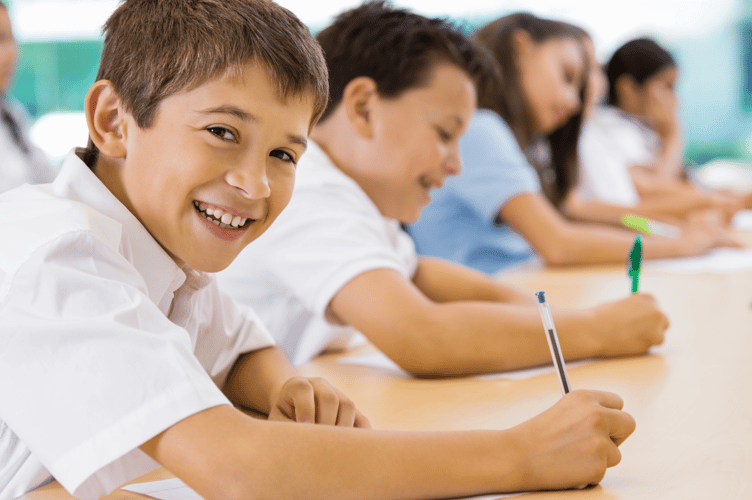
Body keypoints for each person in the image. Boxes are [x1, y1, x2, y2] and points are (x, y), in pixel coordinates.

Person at [0, 1, 637, 499]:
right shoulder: (60, 257)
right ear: (113, 121)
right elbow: (239, 471)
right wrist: (520, 454)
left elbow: (240, 347)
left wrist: (289, 385)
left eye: (283, 154)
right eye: (222, 132)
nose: (254, 183)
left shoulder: (165, 254)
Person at [218, 2, 668, 381]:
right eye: (444, 133)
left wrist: (547, 313)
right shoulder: (311, 190)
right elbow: (423, 333)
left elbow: (416, 271)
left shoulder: (358, 193)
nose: (456, 163)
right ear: (362, 107)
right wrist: (600, 323)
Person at [409, 13, 739, 275]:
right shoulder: (485, 131)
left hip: (534, 278)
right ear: (522, 48)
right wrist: (679, 239)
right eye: (568, 76)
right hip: (510, 284)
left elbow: (602, 215)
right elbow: (563, 240)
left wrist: (671, 230)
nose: (576, 99)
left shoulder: (531, 145)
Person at [572, 37, 748, 223]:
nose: (675, 99)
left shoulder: (641, 128)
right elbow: (653, 191)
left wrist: (715, 197)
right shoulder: (613, 129)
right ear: (628, 89)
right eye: (667, 87)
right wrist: (672, 135)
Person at [0, 0, 55, 193]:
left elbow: (47, 181)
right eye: (0, 39)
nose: (13, 53)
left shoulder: (12, 115)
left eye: (12, 40)